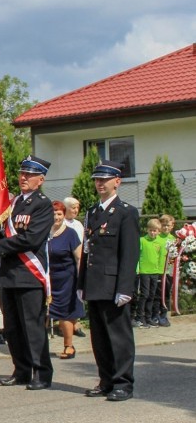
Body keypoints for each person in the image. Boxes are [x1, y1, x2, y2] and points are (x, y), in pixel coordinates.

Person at [0, 155, 54, 390]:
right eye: (23, 173)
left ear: (41, 179)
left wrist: (0, 246)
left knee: (32, 327)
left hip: (29, 274)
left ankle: (41, 372)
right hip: (8, 274)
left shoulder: (43, 204)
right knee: (13, 327)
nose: (24, 178)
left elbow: (32, 238)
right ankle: (21, 370)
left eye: (30, 174)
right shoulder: (12, 204)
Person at [77, 160, 140, 401]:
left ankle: (123, 383)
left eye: (105, 179)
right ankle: (106, 380)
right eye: (97, 179)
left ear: (117, 182)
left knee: (118, 337)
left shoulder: (126, 212)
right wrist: (81, 283)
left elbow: (129, 253)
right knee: (100, 338)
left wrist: (125, 287)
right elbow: (87, 251)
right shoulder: (92, 212)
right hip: (94, 283)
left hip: (114, 285)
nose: (100, 183)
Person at [48, 201, 84, 359]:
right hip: (48, 279)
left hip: (67, 280)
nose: (56, 217)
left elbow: (79, 258)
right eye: (53, 213)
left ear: (64, 215)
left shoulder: (70, 234)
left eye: (59, 214)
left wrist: (81, 281)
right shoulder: (44, 233)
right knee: (43, 313)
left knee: (65, 314)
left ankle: (69, 346)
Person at [133, 218, 165, 328]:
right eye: (150, 230)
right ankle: (139, 317)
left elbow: (161, 257)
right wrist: (137, 269)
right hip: (144, 271)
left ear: (158, 231)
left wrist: (161, 271)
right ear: (147, 230)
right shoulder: (142, 240)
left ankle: (148, 317)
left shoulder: (160, 242)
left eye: (155, 230)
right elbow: (137, 255)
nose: (152, 232)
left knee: (152, 295)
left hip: (155, 272)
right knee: (144, 294)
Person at [157, 214, 176, 327]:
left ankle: (164, 315)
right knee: (156, 294)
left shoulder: (173, 240)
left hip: (168, 271)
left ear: (172, 226)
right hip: (157, 270)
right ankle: (155, 314)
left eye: (168, 225)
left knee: (166, 294)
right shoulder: (156, 238)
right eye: (163, 225)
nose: (165, 228)